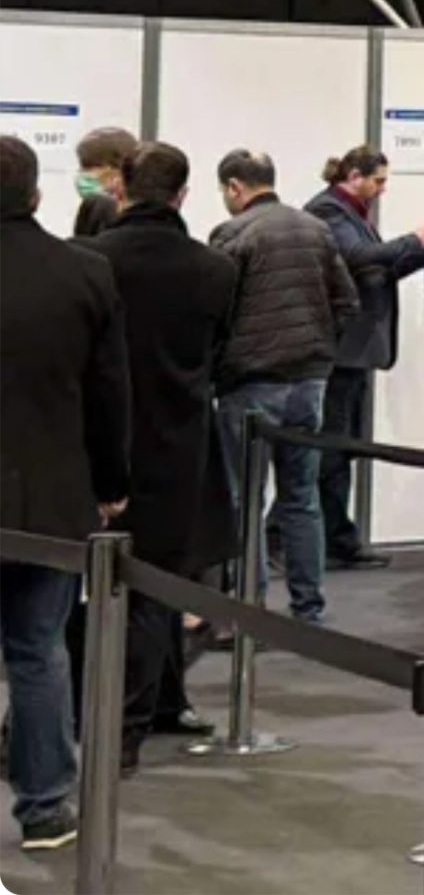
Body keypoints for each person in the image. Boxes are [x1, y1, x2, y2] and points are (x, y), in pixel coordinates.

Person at [75, 143, 236, 773]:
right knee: (158, 588)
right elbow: (220, 357)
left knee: (86, 585)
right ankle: (131, 727)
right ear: (183, 194)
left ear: (121, 187)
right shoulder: (215, 269)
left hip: (98, 443)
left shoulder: (89, 260)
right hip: (178, 442)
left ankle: (86, 717)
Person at [0, 136, 131, 851]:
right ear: (36, 194)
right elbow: (110, 393)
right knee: (38, 649)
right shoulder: (84, 272)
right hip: (51, 494)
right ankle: (46, 805)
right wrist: (112, 485)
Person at [209, 149, 358, 625]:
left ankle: (248, 610)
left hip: (250, 382)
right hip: (310, 383)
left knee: (244, 499)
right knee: (302, 497)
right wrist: (319, 350)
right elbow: (347, 302)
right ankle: (308, 608)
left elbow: (216, 312)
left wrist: (220, 363)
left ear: (235, 187)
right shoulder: (316, 229)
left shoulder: (233, 234)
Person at [306, 147, 424, 571]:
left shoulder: (352, 215)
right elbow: (357, 258)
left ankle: (328, 534)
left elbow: (372, 271)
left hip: (354, 351)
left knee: (340, 448)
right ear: (354, 175)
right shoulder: (329, 212)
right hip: (342, 350)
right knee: (333, 448)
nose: (383, 189)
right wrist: (412, 241)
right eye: (378, 180)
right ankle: (327, 536)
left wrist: (417, 254)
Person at [72, 126, 136, 220]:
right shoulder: (90, 217)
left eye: (90, 165)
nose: (83, 174)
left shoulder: (141, 221)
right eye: (82, 167)